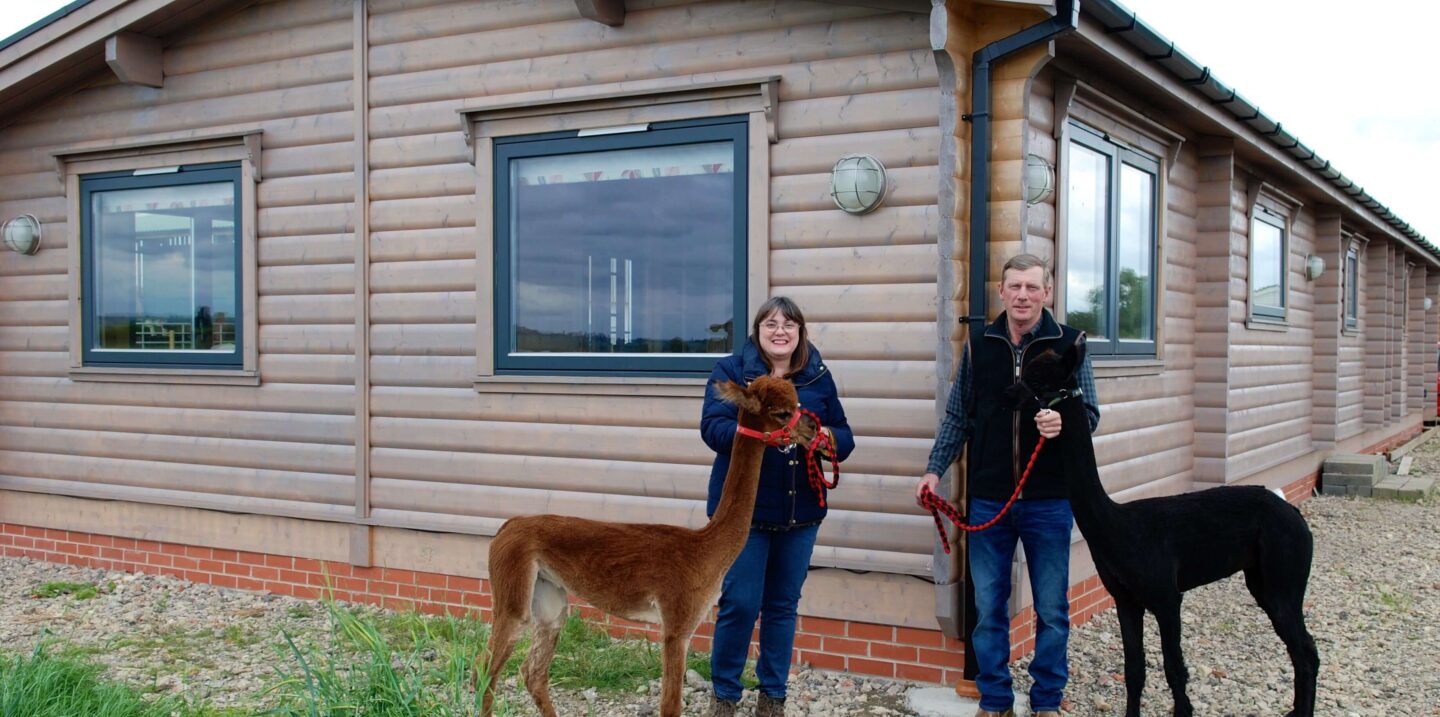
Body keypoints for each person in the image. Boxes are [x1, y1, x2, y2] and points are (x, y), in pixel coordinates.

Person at [915, 254, 1099, 717]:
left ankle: (1046, 702)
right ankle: (995, 700)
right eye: (1014, 286)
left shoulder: (1070, 342)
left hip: (1050, 499)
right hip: (989, 498)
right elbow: (958, 416)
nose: (1023, 295)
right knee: (988, 608)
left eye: (1032, 287)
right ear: (1002, 292)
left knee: (1053, 610)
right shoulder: (980, 344)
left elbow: (1091, 414)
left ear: (1048, 293)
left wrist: (1067, 421)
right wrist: (934, 470)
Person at [700, 296, 856, 717]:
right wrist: (760, 434)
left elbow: (845, 435)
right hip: (743, 515)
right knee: (740, 602)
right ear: (758, 330)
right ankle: (725, 695)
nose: (780, 331)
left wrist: (824, 437)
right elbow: (712, 428)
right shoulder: (733, 373)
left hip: (800, 512)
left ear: (800, 331)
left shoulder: (817, 378)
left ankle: (773, 696)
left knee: (782, 606)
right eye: (771, 324)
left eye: (789, 324)